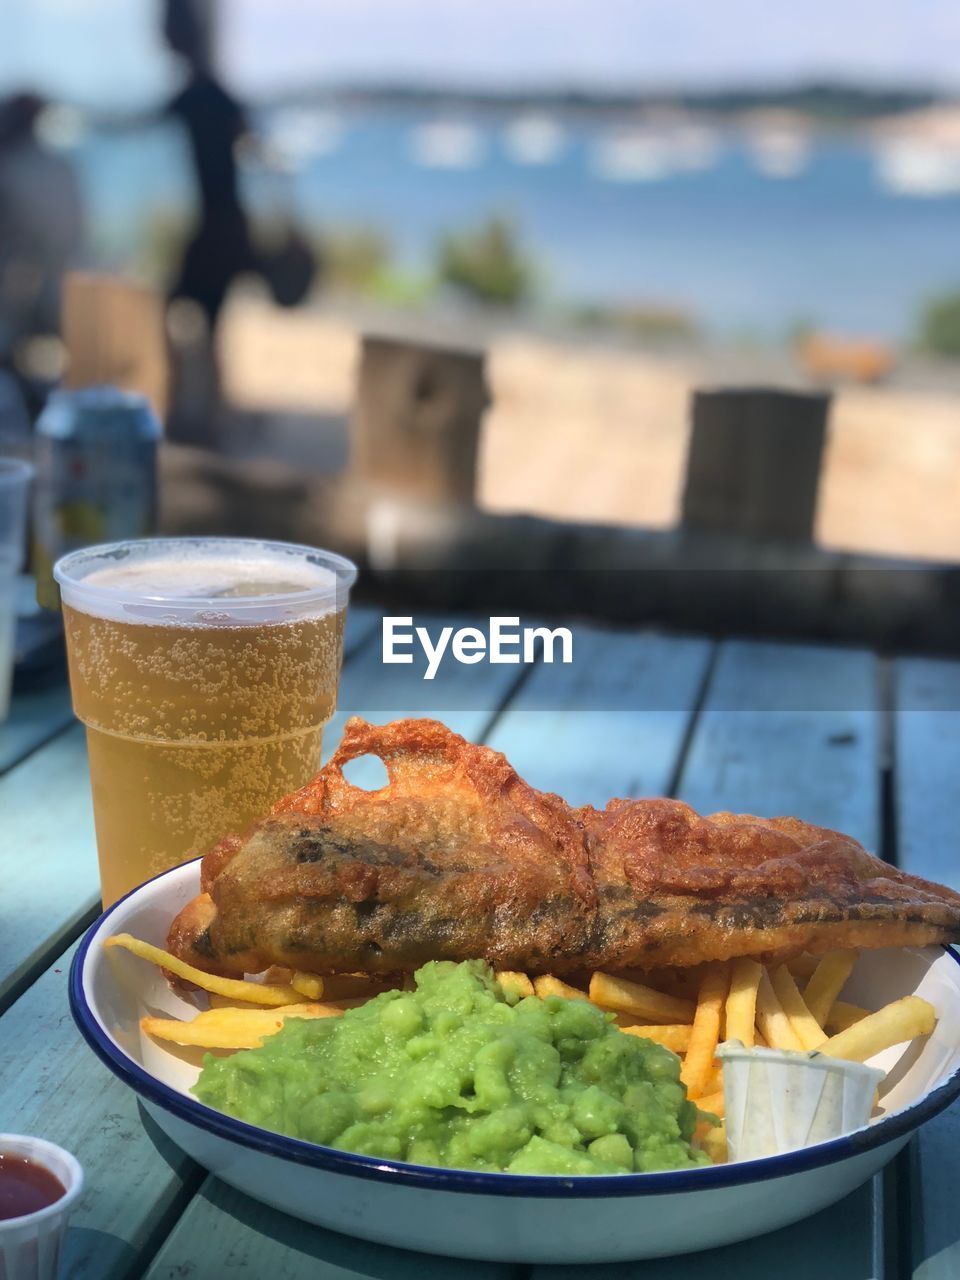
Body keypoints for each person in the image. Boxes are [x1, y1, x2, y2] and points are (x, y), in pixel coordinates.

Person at [160, 0, 258, 335]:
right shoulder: (216, 93)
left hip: (217, 230)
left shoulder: (195, 95)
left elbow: (131, 128)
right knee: (207, 326)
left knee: (174, 313)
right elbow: (252, 144)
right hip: (227, 225)